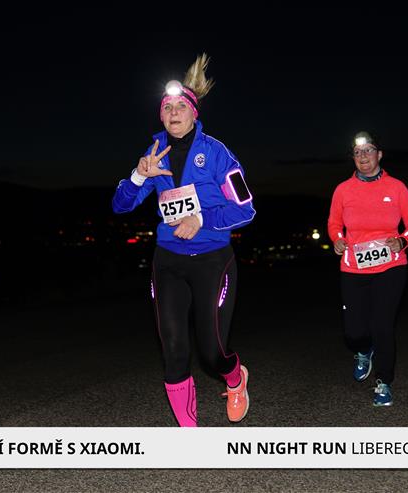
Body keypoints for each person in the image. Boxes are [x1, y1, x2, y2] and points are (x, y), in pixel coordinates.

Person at [112, 54, 256, 426]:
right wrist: (139, 177)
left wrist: (201, 219)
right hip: (168, 261)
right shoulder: (153, 155)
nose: (174, 112)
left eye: (181, 107)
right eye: (167, 107)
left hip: (213, 259)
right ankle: (189, 437)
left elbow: (245, 209)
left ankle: (235, 378)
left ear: (194, 113)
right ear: (160, 116)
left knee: (212, 353)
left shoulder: (218, 153)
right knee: (174, 350)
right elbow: (120, 205)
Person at [327, 131, 408, 406]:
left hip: (390, 266)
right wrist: (337, 239)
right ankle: (363, 349)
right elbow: (334, 223)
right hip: (353, 268)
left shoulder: (397, 187)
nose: (363, 156)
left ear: (379, 154)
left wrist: (402, 241)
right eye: (358, 152)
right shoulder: (343, 190)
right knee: (353, 332)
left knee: (382, 324)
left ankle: (383, 382)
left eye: (368, 150)